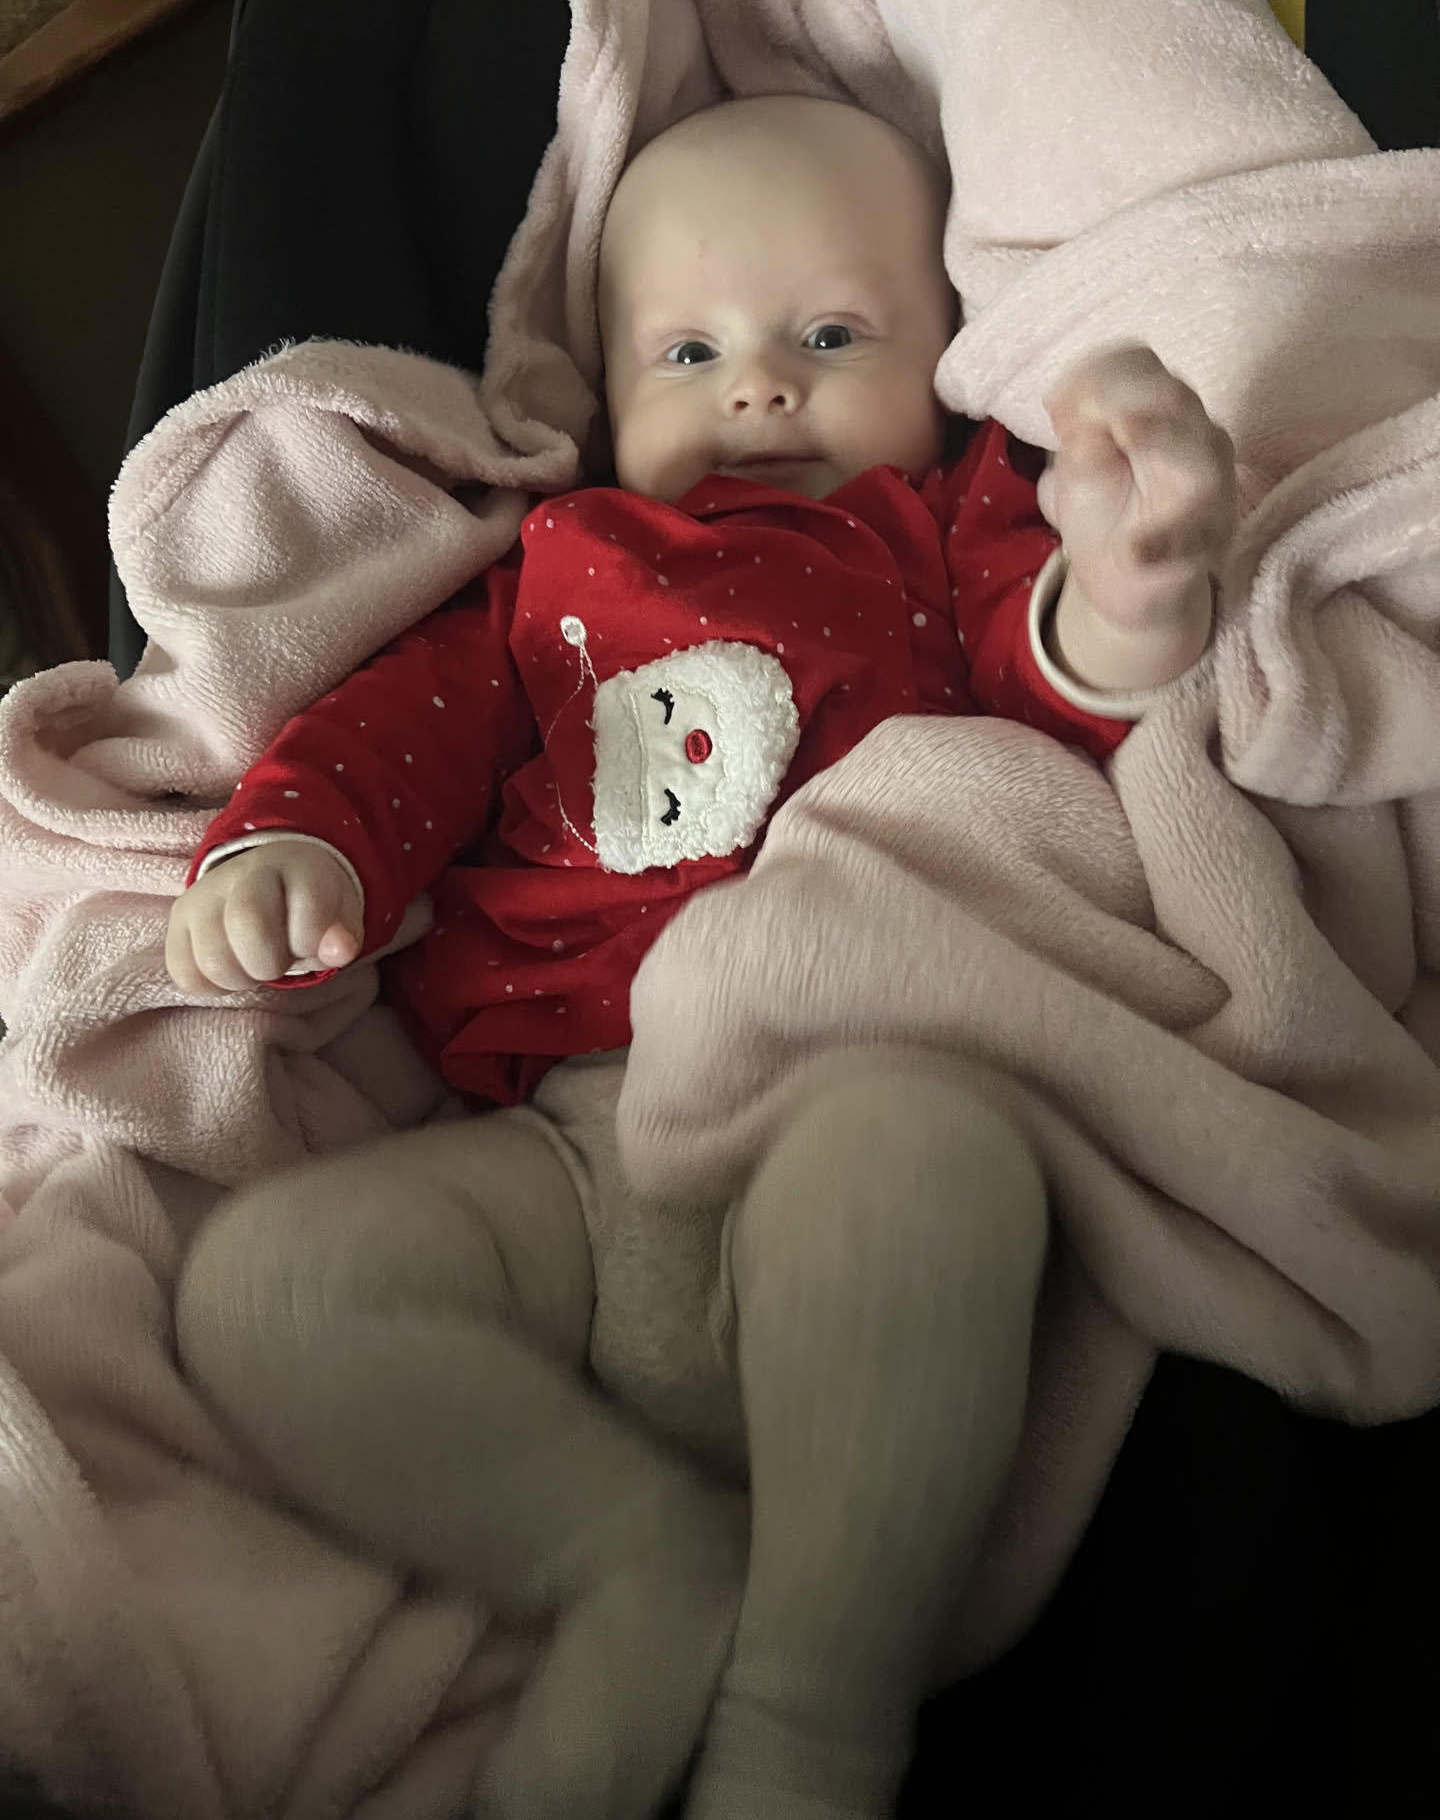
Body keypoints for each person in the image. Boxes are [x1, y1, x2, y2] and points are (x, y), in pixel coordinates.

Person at [171, 95, 1237, 1820]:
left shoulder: (936, 526)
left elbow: (1055, 679)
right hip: (568, 1167)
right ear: (600, 398)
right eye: (688, 353)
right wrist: (292, 849)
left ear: (949, 357)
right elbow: (398, 737)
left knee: (934, 1171)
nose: (758, 389)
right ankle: (622, 1553)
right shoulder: (557, 571)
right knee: (266, 1289)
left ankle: (806, 1723)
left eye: (833, 336)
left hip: (849, 1089)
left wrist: (1122, 587)